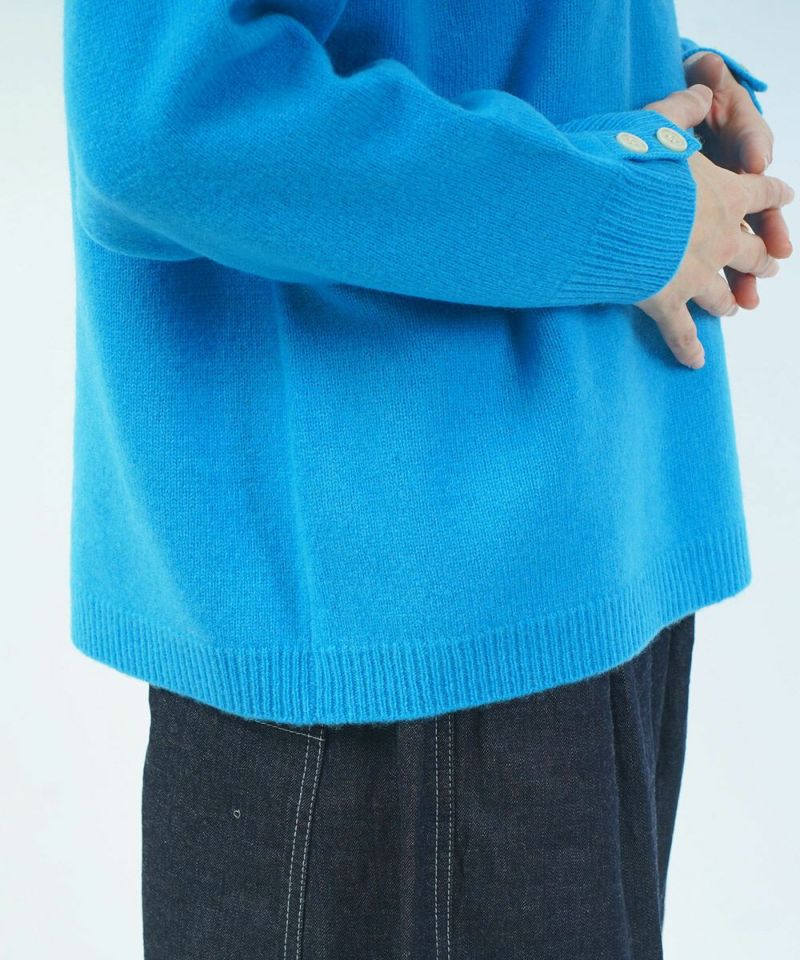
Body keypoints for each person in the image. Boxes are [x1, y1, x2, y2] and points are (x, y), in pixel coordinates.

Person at [62, 1, 794, 957]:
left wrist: (645, 75)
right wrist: (605, 202)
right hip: (401, 613)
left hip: (581, 540)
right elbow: (163, 121)